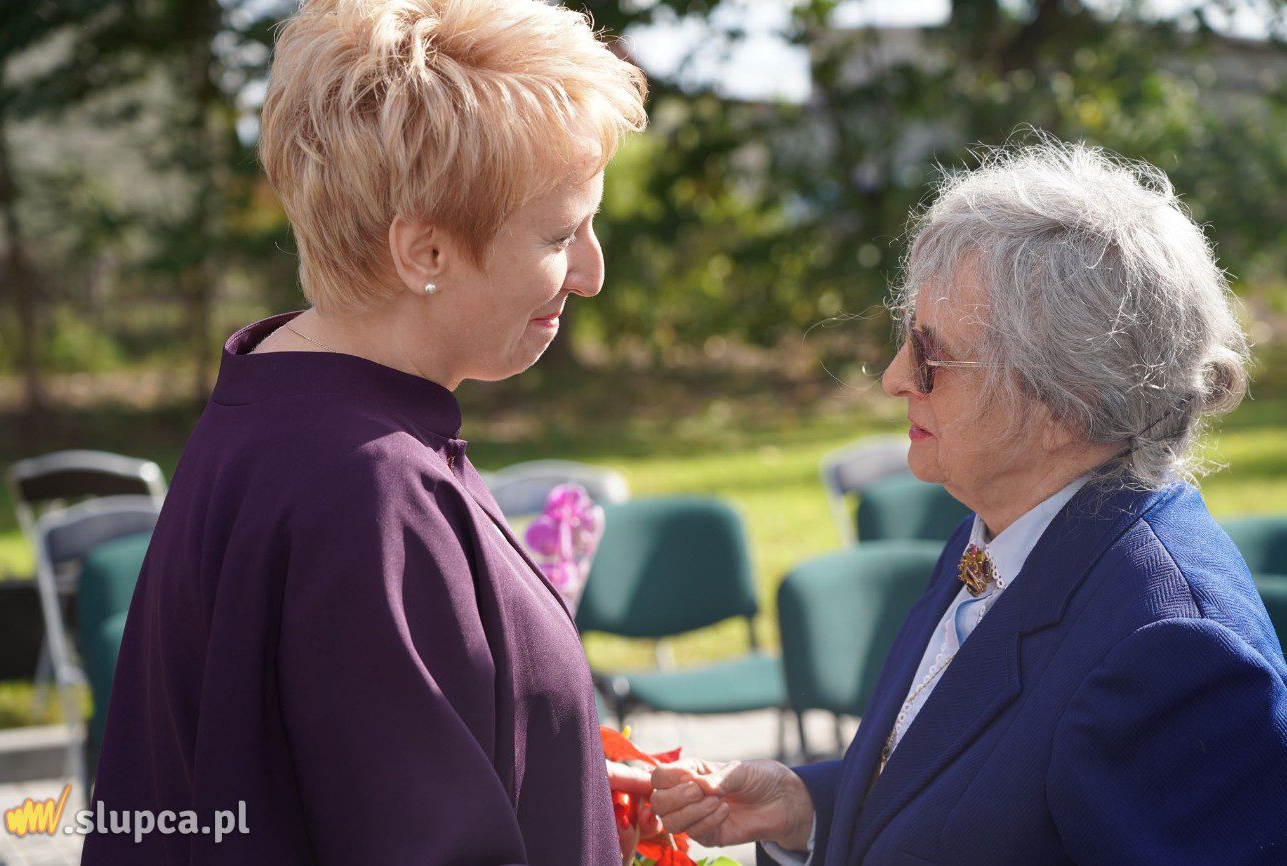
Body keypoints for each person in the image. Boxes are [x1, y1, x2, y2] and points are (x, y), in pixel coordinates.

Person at [83, 1, 651, 863]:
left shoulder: (281, 414)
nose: (592, 272)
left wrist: (560, 793)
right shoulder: (368, 491)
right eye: (563, 233)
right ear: (425, 252)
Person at [650, 139, 1287, 865]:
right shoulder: (1001, 530)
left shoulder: (1175, 651)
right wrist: (810, 811)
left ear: (1066, 401)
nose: (895, 378)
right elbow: (969, 798)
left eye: (931, 355)